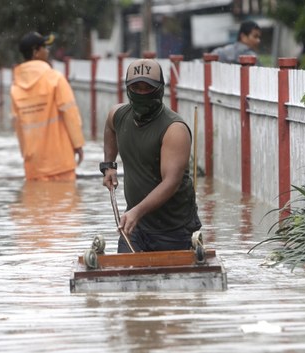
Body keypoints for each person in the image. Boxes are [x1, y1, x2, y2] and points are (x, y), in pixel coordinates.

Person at [101, 58, 202, 253]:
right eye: (135, 88)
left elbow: (170, 183)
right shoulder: (119, 115)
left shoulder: (174, 130)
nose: (141, 93)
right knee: (125, 277)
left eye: (147, 88)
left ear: (160, 89)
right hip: (135, 228)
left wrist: (136, 212)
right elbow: (109, 126)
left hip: (174, 230)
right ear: (128, 89)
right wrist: (109, 165)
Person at [10, 31, 85, 181]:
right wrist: (78, 145)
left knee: (34, 202)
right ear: (35, 52)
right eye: (44, 47)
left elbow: (18, 127)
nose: (48, 50)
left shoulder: (15, 87)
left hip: (34, 166)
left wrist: (27, 156)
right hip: (60, 162)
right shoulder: (55, 78)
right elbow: (70, 113)